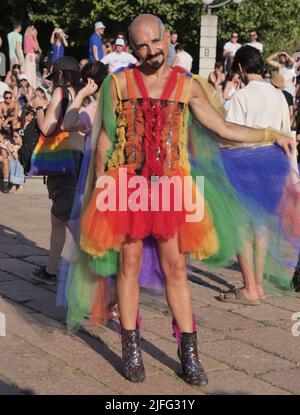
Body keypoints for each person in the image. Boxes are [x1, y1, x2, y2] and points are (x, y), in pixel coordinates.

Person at [64, 14, 294, 387]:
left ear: (167, 38)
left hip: (171, 184)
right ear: (132, 47)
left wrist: (272, 133)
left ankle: (189, 353)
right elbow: (105, 140)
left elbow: (222, 130)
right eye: (141, 46)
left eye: (156, 42)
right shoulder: (118, 83)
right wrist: (95, 194)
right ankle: (132, 349)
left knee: (176, 268)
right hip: (127, 186)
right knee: (129, 264)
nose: (151, 51)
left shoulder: (186, 86)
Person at [218, 45, 292, 305]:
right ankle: (258, 285)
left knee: (239, 226)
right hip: (273, 163)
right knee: (261, 226)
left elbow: (230, 135)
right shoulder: (279, 96)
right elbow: (284, 131)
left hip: (245, 164)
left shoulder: (241, 97)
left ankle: (249, 287)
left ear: (239, 68)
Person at [31, 56, 82, 285]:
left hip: (63, 162)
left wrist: (39, 108)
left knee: (71, 219)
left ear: (60, 74)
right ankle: (51, 270)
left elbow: (47, 127)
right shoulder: (81, 93)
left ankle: (99, 270)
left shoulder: (61, 93)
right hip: (79, 158)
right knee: (58, 219)